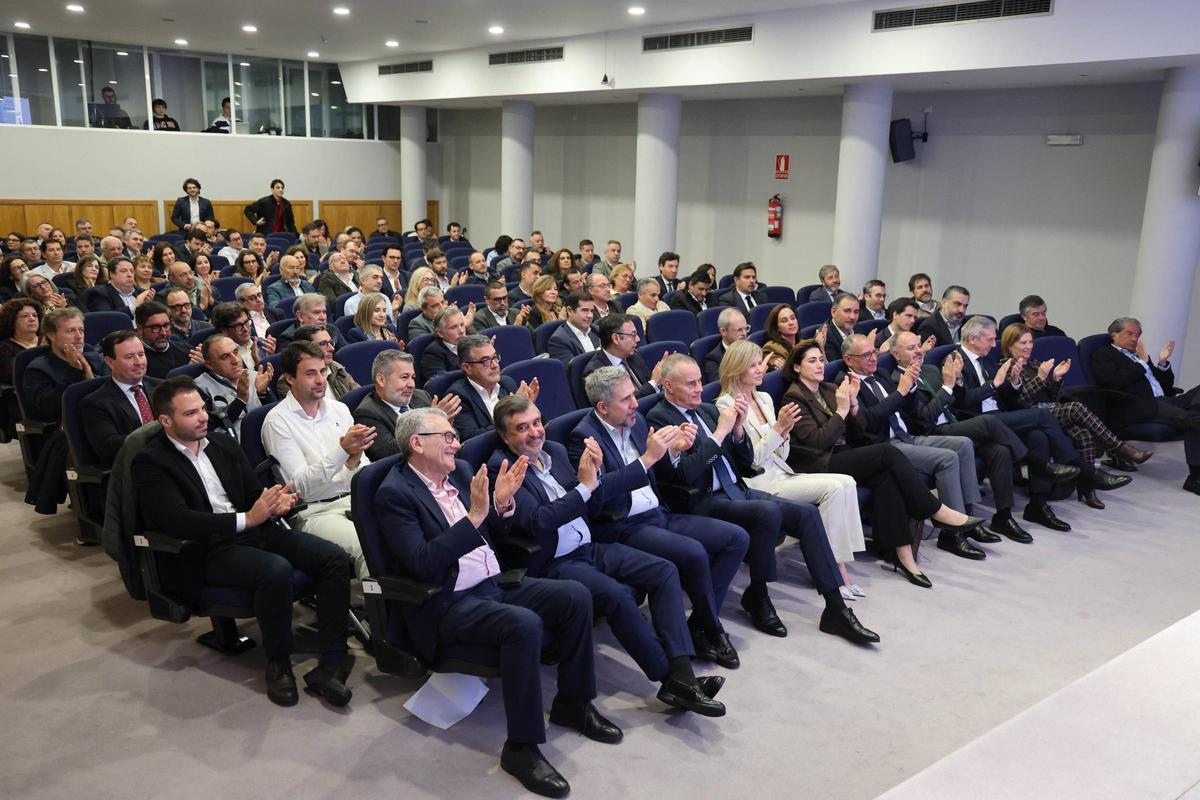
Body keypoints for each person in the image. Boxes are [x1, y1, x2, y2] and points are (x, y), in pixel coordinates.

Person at [376, 407, 613, 798]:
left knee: (574, 596)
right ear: (417, 444)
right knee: (524, 625)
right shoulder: (395, 494)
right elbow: (422, 563)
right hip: (448, 602)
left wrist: (501, 506)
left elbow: (498, 530)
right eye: (447, 437)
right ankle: (521, 748)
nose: (456, 443)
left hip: (492, 582)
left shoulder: (463, 471)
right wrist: (476, 516)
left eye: (454, 436)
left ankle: (574, 702)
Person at [490, 396, 727, 716]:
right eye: (521, 428)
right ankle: (672, 679)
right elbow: (538, 522)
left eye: (536, 422)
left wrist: (601, 474)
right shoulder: (501, 468)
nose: (534, 432)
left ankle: (682, 677)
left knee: (664, 570)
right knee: (616, 595)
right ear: (506, 437)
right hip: (555, 563)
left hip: (591, 547)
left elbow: (592, 495)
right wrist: (586, 487)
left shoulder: (556, 452)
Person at [133, 376, 353, 707]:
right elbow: (176, 521)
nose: (203, 417)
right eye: (191, 413)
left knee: (332, 557)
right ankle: (279, 664)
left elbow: (253, 494)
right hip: (204, 549)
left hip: (253, 531)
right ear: (166, 420)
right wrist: (248, 518)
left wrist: (276, 502)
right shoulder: (150, 462)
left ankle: (332, 660)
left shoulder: (221, 444)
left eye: (203, 408)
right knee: (275, 570)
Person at [648, 353, 877, 642]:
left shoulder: (706, 411)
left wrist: (739, 431)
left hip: (737, 489)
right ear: (668, 386)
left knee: (806, 513)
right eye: (690, 384)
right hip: (703, 501)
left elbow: (745, 464)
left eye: (699, 382)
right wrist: (720, 433)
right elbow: (685, 477)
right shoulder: (659, 418)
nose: (698, 388)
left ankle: (835, 608)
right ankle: (759, 594)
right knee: (767, 512)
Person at [568, 367, 748, 667]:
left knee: (736, 538)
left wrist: (675, 452)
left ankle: (702, 624)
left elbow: (665, 474)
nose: (636, 405)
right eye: (626, 400)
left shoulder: (635, 422)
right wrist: (648, 458)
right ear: (603, 407)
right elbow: (597, 494)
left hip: (658, 512)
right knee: (692, 552)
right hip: (623, 524)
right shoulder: (584, 438)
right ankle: (711, 630)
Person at [781, 339, 985, 589]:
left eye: (821, 359)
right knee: (887, 453)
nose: (819, 365)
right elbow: (818, 442)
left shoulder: (827, 388)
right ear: (797, 367)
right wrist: (842, 411)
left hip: (846, 452)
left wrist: (854, 407)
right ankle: (935, 510)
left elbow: (859, 431)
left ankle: (904, 557)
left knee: (888, 479)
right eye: (811, 361)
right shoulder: (793, 397)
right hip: (821, 463)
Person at [715, 340, 866, 597]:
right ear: (737, 369)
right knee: (833, 489)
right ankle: (835, 572)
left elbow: (780, 452)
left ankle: (839, 565)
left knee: (847, 482)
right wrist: (777, 430)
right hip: (758, 483)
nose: (760, 369)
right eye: (752, 365)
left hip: (781, 471)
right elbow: (749, 461)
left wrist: (783, 434)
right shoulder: (726, 405)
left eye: (759, 363)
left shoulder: (763, 398)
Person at [955, 315, 1125, 531]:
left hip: (1001, 415)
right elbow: (963, 403)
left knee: (1039, 436)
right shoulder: (956, 360)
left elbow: (1009, 398)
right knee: (1043, 417)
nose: (993, 344)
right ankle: (1086, 471)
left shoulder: (986, 359)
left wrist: (1015, 383)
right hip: (977, 422)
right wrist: (996, 383)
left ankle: (1038, 505)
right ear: (972, 338)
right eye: (989, 339)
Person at [839, 333, 991, 558]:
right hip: (886, 446)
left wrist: (910, 390)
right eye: (866, 355)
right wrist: (901, 391)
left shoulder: (880, 374)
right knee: (947, 459)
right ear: (848, 359)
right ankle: (952, 535)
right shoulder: (845, 384)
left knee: (964, 444)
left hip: (909, 435)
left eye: (873, 352)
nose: (873, 358)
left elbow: (912, 413)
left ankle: (967, 516)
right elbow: (868, 421)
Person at [887, 330, 1036, 546]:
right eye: (911, 348)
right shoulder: (895, 381)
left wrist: (957, 381)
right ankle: (1032, 462)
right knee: (988, 422)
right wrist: (947, 386)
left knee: (1000, 451)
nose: (919, 351)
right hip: (931, 434)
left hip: (954, 425)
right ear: (895, 354)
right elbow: (924, 420)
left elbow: (957, 401)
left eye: (919, 345)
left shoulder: (929, 369)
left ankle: (1002, 516)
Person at [1000, 323, 1148, 508]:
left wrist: (1055, 379)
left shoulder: (1035, 363)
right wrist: (1040, 378)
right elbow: (1018, 401)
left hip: (1048, 410)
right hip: (1027, 417)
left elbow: (1051, 397)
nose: (1029, 346)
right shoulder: (1005, 366)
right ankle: (1118, 447)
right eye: (1023, 343)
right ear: (1009, 345)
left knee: (1083, 433)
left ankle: (1087, 489)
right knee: (1076, 407)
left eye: (1030, 342)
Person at [262, 342, 373, 579]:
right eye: (311, 373)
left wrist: (352, 462)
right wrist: (343, 452)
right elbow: (300, 487)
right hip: (315, 512)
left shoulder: (339, 409)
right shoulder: (277, 421)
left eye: (323, 371)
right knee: (370, 546)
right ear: (289, 378)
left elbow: (361, 465)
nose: (321, 379)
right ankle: (380, 612)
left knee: (405, 528)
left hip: (355, 500)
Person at [1090, 317, 1200, 496]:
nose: (1135, 338)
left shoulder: (1138, 356)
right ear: (1114, 335)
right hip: (1140, 406)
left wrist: (1162, 363)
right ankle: (1195, 479)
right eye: (1129, 334)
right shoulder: (1104, 354)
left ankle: (1192, 417)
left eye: (1138, 335)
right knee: (1195, 421)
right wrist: (1141, 363)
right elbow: (1114, 382)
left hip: (1165, 400)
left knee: (1197, 409)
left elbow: (1164, 385)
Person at [23, 308, 109, 514]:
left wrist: (88, 372)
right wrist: (74, 371)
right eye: (71, 331)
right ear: (51, 335)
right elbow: (48, 408)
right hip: (63, 430)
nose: (79, 336)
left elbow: (109, 393)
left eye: (81, 330)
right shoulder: (38, 369)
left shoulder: (92, 357)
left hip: (102, 419)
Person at [354, 350, 460, 460]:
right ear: (381, 379)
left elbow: (455, 438)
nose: (412, 384)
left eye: (413, 377)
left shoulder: (421, 396)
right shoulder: (367, 413)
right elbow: (390, 454)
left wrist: (446, 424)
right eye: (404, 377)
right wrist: (431, 423)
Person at [80, 331, 160, 467]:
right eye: (129, 357)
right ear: (110, 362)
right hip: (133, 467)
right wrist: (161, 436)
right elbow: (109, 447)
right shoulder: (96, 403)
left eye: (141, 355)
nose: (138, 362)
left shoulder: (162, 387)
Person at [447, 334, 540, 441]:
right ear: (467, 368)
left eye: (495, 357)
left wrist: (529, 407)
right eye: (485, 361)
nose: (495, 365)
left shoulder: (506, 383)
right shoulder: (458, 396)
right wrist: (512, 412)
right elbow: (471, 439)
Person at [194, 334, 272, 438]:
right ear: (210, 365)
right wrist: (240, 400)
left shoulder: (254, 376)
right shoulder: (200, 388)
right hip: (237, 445)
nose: (236, 361)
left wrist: (263, 393)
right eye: (225, 357)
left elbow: (275, 410)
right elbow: (212, 428)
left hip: (269, 434)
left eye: (236, 352)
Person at [582, 314, 663, 399]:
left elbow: (650, 386)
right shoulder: (596, 372)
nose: (638, 339)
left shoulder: (634, 356)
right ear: (616, 338)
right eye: (633, 335)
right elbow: (622, 405)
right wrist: (653, 384)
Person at [275, 325, 357, 401]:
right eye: (323, 344)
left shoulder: (336, 367)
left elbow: (358, 395)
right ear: (306, 348)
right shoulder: (290, 380)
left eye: (331, 343)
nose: (331, 348)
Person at [211, 301, 273, 371]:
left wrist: (271, 358)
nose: (246, 329)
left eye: (246, 322)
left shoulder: (264, 344)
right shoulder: (222, 356)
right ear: (224, 330)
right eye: (238, 326)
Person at [136, 301, 192, 379]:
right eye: (155, 328)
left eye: (166, 326)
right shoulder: (136, 362)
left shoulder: (188, 351)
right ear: (140, 329)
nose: (163, 333)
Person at [274, 293, 346, 351]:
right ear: (300, 316)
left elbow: (345, 354)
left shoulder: (332, 329)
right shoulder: (289, 338)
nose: (323, 318)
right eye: (316, 313)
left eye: (324, 312)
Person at [84, 257, 151, 317]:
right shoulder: (98, 293)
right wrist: (134, 306)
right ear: (112, 274)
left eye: (132, 271)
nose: (129, 275)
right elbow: (105, 319)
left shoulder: (141, 292)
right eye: (124, 271)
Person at [546, 291, 599, 364]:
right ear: (570, 311)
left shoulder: (598, 330)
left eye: (592, 311)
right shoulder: (559, 340)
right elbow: (572, 371)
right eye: (585, 310)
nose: (590, 315)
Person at [0, 298, 42, 384]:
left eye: (35, 315)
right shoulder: (4, 347)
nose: (32, 319)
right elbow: (14, 375)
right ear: (12, 321)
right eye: (25, 316)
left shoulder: (50, 340)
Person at [420, 305, 467, 381]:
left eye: (462, 325)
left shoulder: (471, 344)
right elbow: (439, 383)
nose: (461, 331)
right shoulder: (433, 353)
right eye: (453, 327)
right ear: (440, 333)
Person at [761, 303, 800, 372]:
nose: (791, 323)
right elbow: (789, 372)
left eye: (793, 318)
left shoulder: (802, 343)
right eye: (784, 320)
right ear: (777, 327)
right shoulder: (771, 348)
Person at [823, 292, 860, 363]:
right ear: (834, 312)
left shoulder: (858, 327)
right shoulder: (825, 336)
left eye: (856, 312)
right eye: (847, 311)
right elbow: (838, 368)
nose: (852, 317)